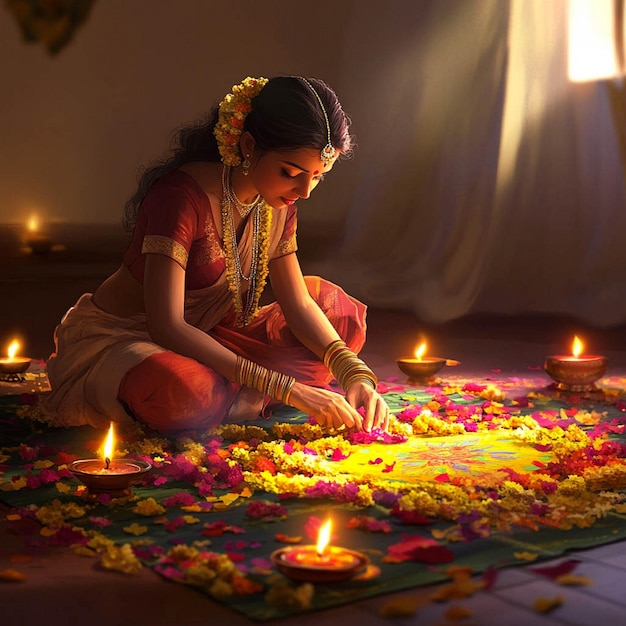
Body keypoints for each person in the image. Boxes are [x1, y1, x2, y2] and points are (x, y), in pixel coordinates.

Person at [44, 75, 390, 434]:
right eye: (291, 173)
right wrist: (288, 387)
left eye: (318, 176)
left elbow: (299, 305)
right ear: (249, 145)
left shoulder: (278, 201)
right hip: (133, 338)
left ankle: (231, 392)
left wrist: (355, 375)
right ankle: (236, 393)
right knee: (183, 391)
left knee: (339, 314)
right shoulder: (181, 197)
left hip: (216, 333)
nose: (304, 191)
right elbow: (167, 326)